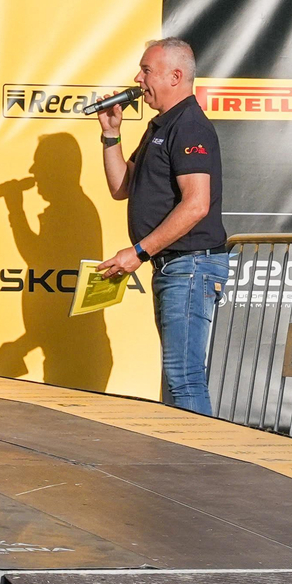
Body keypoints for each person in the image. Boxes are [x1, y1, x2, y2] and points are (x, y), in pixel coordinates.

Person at [93, 37, 230, 415]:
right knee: (177, 378)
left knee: (183, 378)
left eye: (147, 70)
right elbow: (122, 187)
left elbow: (197, 205)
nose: (138, 78)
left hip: (190, 266)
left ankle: (202, 468)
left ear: (176, 75)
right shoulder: (162, 125)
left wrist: (139, 252)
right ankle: (192, 464)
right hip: (175, 266)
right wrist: (110, 134)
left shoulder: (189, 126)